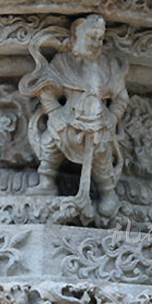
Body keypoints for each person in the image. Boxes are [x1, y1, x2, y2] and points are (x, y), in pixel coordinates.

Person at [19, 15, 128, 216]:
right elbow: (46, 89)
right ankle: (46, 180)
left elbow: (121, 98)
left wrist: (113, 117)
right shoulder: (64, 63)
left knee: (101, 154)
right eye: (91, 38)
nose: (96, 44)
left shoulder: (108, 66)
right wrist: (54, 112)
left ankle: (107, 190)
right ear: (78, 37)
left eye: (99, 39)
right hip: (68, 118)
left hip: (98, 122)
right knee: (51, 140)